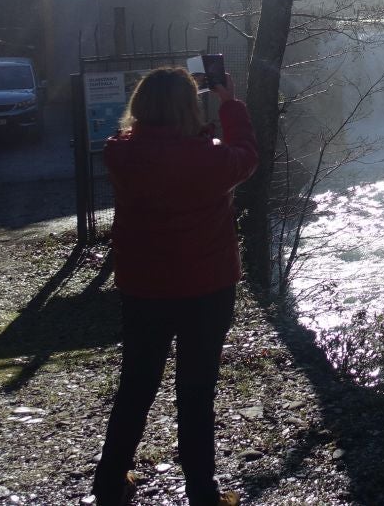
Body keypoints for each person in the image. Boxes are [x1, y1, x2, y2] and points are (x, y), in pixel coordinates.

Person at [90, 67, 258, 506]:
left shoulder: (119, 154)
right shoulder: (210, 159)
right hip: (207, 287)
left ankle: (109, 484)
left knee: (137, 385)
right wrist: (230, 104)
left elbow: (153, 153)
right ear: (189, 107)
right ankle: (202, 491)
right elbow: (246, 154)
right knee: (197, 390)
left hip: (144, 287)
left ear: (140, 106)